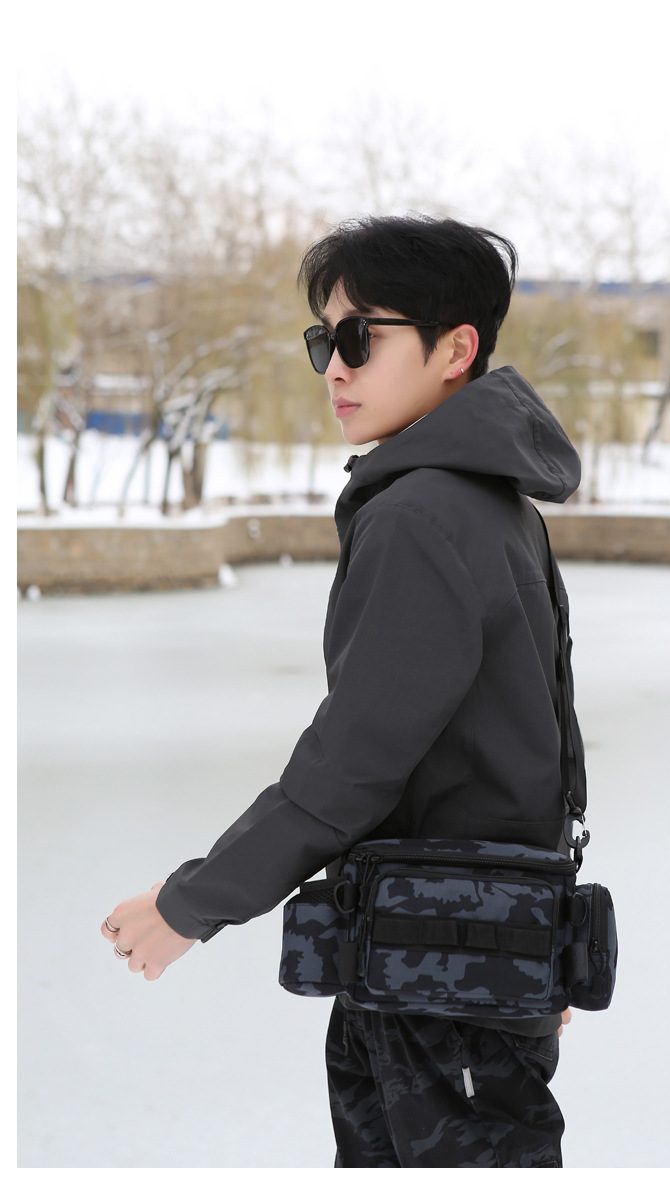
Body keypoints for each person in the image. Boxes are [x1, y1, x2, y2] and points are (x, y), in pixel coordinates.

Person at [102, 215, 585, 1168]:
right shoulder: (493, 504)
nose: (334, 367)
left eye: (361, 337)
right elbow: (545, 745)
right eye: (324, 341)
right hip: (471, 960)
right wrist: (542, 938)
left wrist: (191, 902)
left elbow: (353, 762)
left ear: (457, 349)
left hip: (434, 981)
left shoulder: (422, 513)